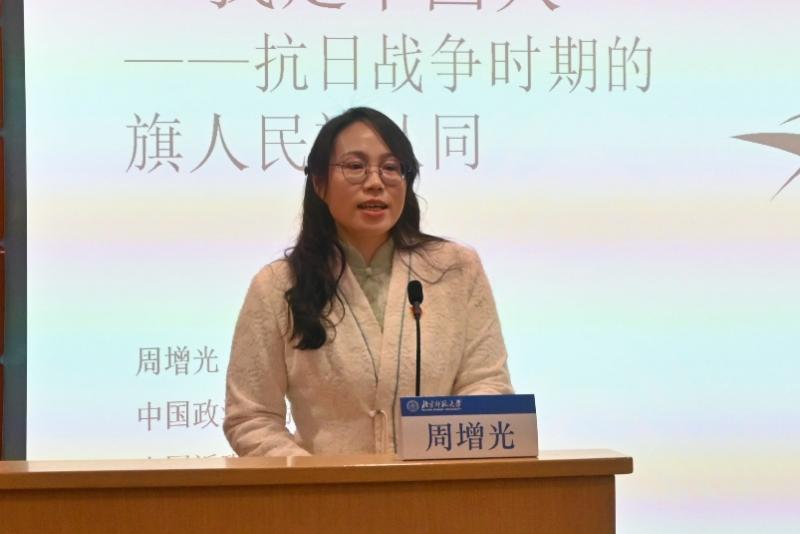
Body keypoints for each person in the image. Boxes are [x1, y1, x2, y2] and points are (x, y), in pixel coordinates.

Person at [224, 107, 513, 456]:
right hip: (325, 488)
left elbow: (487, 383)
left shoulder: (456, 269)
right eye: (355, 166)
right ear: (319, 183)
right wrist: (315, 477)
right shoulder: (278, 286)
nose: (375, 182)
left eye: (391, 168)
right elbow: (251, 417)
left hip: (437, 486)